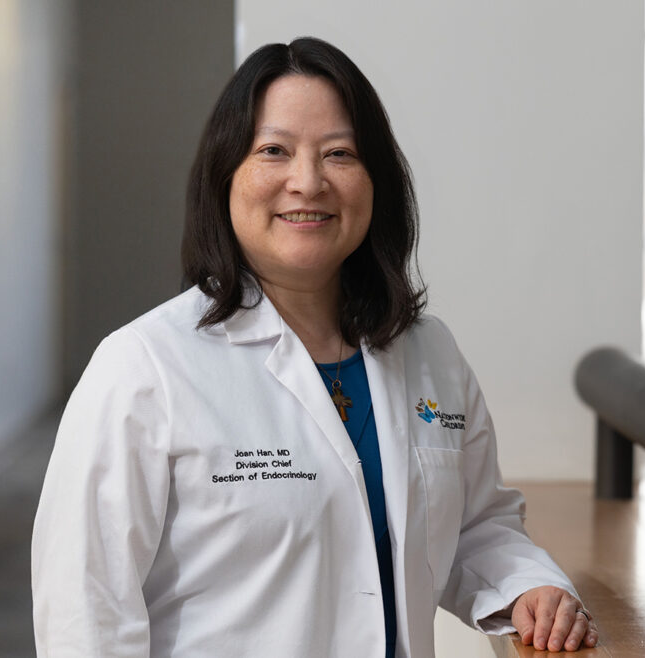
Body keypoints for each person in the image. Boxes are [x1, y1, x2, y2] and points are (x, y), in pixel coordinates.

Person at [31, 37, 598, 657]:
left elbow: (473, 525)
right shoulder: (143, 367)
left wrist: (528, 586)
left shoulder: (429, 352)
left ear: (375, 181)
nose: (308, 181)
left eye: (340, 154)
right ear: (226, 178)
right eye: (274, 151)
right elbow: (85, 608)